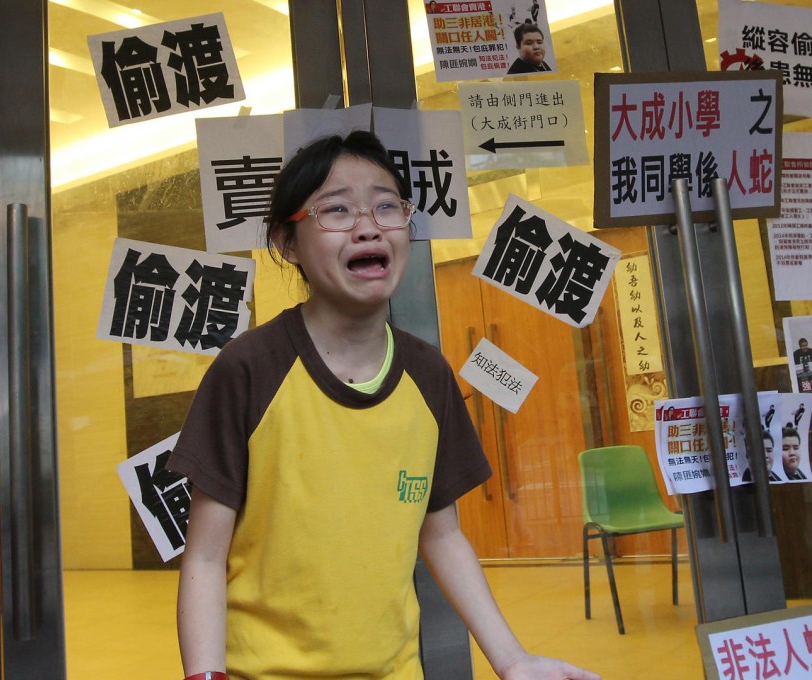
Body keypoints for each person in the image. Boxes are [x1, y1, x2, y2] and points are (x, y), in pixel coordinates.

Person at [169, 131, 599, 680]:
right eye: (337, 210)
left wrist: (513, 661)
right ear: (287, 243)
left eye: (386, 205)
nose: (368, 225)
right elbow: (204, 556)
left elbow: (441, 534)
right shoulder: (249, 369)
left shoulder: (427, 374)